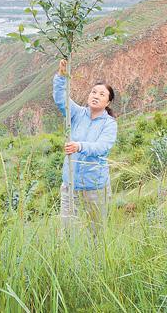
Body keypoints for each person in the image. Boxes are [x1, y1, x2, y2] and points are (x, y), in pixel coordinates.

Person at [53, 59, 117, 232]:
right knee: (66, 230)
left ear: (108, 102)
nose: (96, 96)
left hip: (94, 186)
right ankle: (67, 257)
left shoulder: (109, 124)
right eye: (93, 92)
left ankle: (96, 259)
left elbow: (102, 147)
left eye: (102, 94)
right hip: (70, 184)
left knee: (97, 232)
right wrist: (61, 76)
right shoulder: (77, 114)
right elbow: (61, 99)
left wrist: (79, 146)